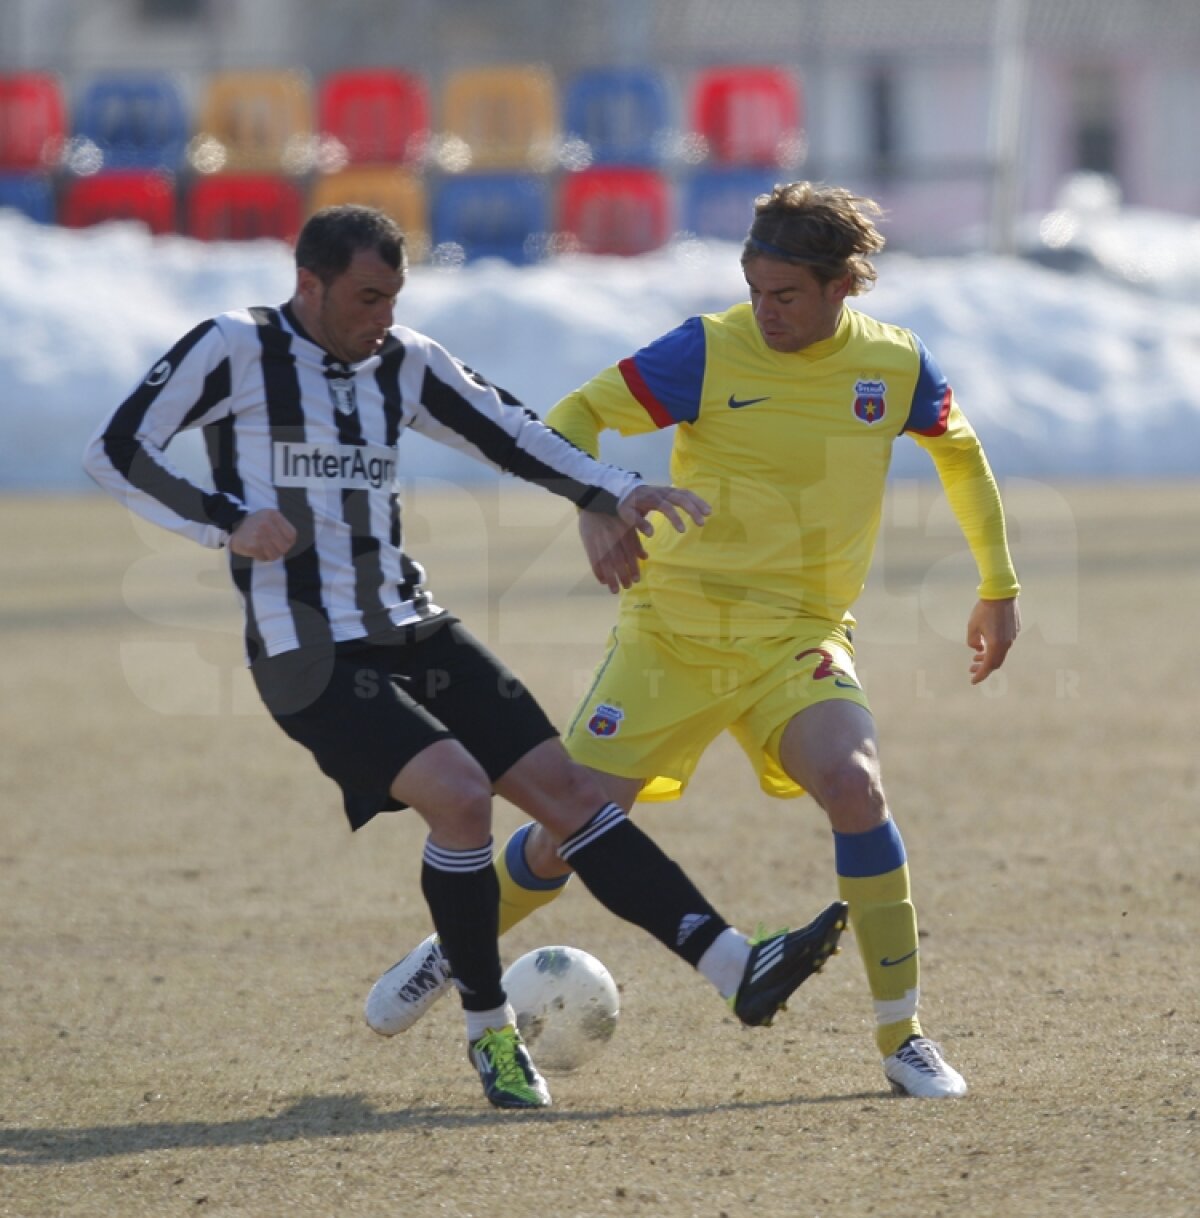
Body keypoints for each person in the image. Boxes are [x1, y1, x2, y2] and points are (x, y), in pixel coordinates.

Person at [83, 204, 848, 1112]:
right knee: (458, 794)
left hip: (412, 623)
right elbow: (116, 449)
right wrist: (227, 520)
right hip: (306, 649)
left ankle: (734, 966)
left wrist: (616, 489)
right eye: (365, 298)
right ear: (309, 285)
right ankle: (492, 1034)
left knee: (572, 796)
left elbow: (509, 430)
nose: (380, 317)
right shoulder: (232, 347)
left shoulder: (403, 359)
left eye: (392, 298)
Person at [366, 183, 1022, 1100]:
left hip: (797, 638)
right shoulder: (706, 351)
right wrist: (598, 504)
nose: (766, 310)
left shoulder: (894, 364)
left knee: (855, 786)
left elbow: (960, 450)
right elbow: (573, 417)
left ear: (842, 288)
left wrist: (998, 586)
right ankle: (448, 952)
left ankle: (903, 1036)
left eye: (786, 294)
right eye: (755, 289)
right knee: (570, 831)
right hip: (671, 634)